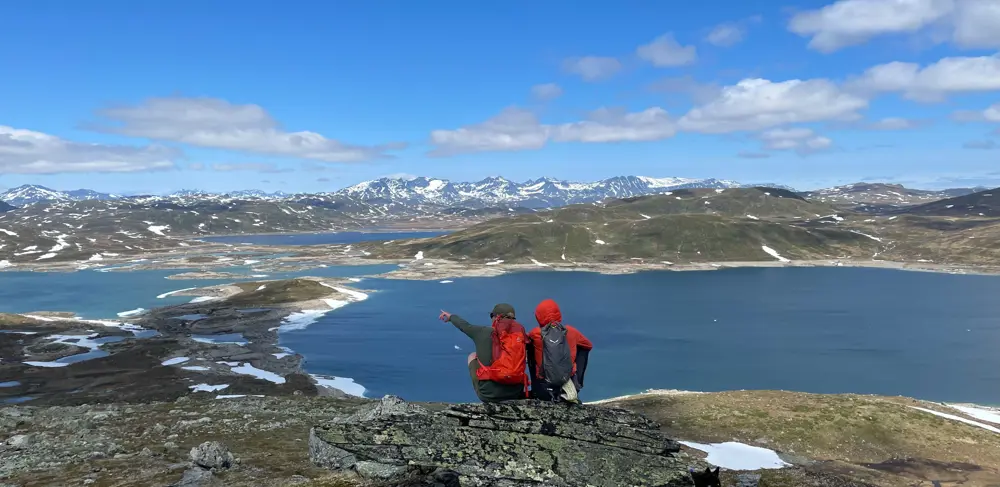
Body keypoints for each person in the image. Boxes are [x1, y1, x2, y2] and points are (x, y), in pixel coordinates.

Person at [438, 303, 528, 403]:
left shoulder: (483, 332)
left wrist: (451, 317)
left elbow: (465, 326)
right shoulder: (520, 336)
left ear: (495, 317)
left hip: (488, 394)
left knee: (472, 356)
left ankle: (485, 389)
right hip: (515, 393)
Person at [526, 298, 593, 403]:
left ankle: (535, 390)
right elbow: (588, 345)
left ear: (538, 316)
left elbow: (524, 343)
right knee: (583, 347)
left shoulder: (535, 333)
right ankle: (577, 383)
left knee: (530, 348)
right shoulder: (570, 331)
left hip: (544, 390)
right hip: (567, 386)